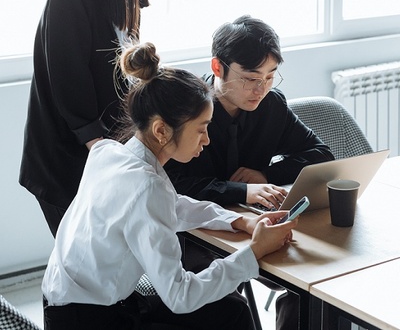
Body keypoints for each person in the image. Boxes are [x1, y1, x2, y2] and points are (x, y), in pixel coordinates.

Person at [41, 41, 298, 330]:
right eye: (201, 129)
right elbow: (180, 295)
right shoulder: (146, 186)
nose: (207, 140)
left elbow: (174, 206)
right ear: (161, 130)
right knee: (227, 315)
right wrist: (253, 252)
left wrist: (240, 221)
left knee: (230, 310)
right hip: (90, 321)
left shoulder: (109, 152)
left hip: (68, 305)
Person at [165, 15, 335, 330]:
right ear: (218, 68)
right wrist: (242, 191)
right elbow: (176, 187)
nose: (261, 89)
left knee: (315, 284)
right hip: (194, 232)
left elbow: (321, 154)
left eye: (270, 76)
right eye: (251, 77)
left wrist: (265, 176)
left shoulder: (271, 106)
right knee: (225, 304)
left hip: (258, 225)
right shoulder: (186, 110)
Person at [19, 0, 162, 237]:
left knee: (106, 266)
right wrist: (107, 157)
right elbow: (70, 87)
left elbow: (121, 76)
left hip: (103, 154)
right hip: (66, 160)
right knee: (81, 267)